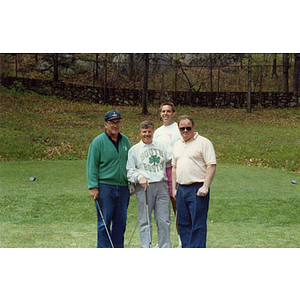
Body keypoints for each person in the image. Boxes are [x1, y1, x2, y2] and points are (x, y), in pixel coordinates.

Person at [86, 110, 131, 248]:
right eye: (112, 123)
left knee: (120, 222)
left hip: (123, 188)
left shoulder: (125, 141)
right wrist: (93, 186)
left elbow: (132, 162)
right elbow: (92, 165)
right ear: (106, 124)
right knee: (104, 222)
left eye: (117, 122)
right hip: (105, 187)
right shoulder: (98, 142)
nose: (115, 126)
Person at [172, 115, 217, 248]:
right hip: (181, 189)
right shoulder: (177, 144)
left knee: (197, 224)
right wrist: (174, 188)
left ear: (193, 127)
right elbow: (174, 167)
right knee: (183, 223)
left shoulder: (204, 143)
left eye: (188, 128)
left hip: (197, 188)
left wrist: (205, 186)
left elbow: (211, 165)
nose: (185, 131)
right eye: (182, 128)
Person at [126, 121, 172, 248]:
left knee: (164, 220)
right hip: (144, 187)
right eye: (144, 131)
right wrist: (139, 177)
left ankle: (165, 247)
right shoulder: (134, 150)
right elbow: (129, 171)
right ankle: (146, 247)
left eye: (149, 131)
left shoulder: (162, 146)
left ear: (153, 132)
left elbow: (175, 157)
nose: (147, 134)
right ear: (140, 133)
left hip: (161, 185)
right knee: (145, 220)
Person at [153, 102, 182, 247]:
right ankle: (163, 242)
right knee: (161, 210)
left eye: (168, 111)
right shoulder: (157, 131)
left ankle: (182, 241)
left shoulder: (178, 128)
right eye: (163, 111)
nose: (165, 114)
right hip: (159, 172)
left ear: (173, 113)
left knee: (177, 206)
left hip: (173, 170)